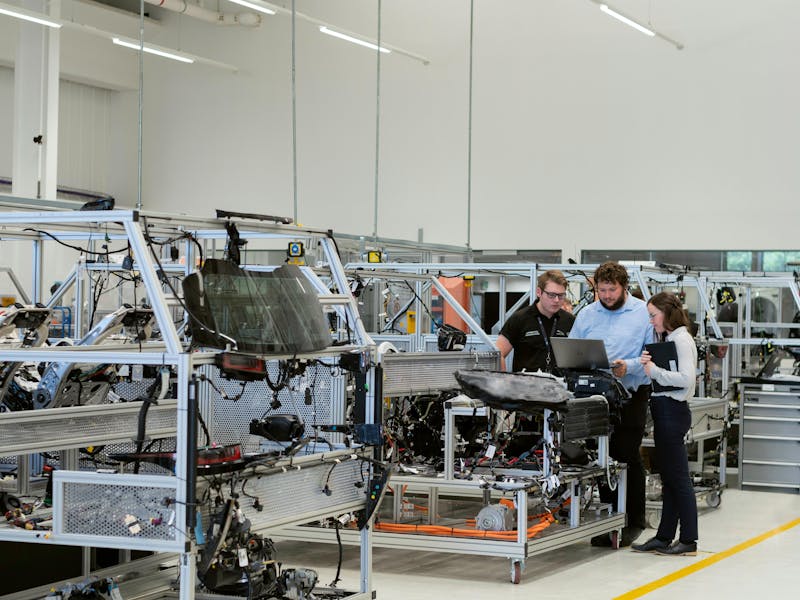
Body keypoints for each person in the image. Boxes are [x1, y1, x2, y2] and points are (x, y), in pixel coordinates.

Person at [569, 261, 652, 547]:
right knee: (602, 458)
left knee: (625, 454)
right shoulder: (587, 314)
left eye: (612, 290)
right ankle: (610, 519)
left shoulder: (642, 313)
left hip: (632, 394)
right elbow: (572, 348)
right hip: (596, 397)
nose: (606, 295)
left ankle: (633, 521)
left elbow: (651, 354)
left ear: (623, 286)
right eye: (602, 290)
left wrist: (627, 366)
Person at [632, 292, 699, 556]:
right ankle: (664, 536)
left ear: (667, 312)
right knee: (670, 479)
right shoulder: (670, 339)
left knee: (679, 479)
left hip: (673, 411)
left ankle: (689, 540)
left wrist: (654, 372)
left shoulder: (682, 339)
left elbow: (686, 380)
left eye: (653, 315)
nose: (651, 321)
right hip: (664, 410)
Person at [496, 270, 575, 373]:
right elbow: (498, 353)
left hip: (560, 385)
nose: (556, 300)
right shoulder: (519, 319)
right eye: (551, 295)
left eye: (561, 295)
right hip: (527, 385)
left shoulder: (570, 321)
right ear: (539, 292)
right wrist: (504, 381)